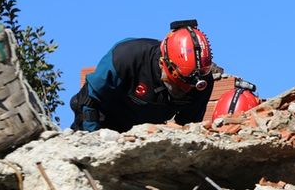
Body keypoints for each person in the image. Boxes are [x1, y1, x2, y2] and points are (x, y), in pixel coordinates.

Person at [70, 20, 214, 132]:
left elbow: (188, 128)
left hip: (140, 131)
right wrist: (94, 140)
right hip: (103, 120)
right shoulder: (126, 58)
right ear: (165, 63)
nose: (186, 90)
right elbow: (89, 101)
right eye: (178, 85)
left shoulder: (201, 83)